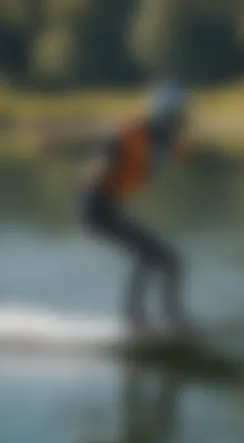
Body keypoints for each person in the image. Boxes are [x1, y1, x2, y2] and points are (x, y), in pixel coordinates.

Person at [78, 83, 191, 334]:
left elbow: (199, 157)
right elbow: (107, 155)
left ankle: (172, 318)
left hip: (111, 209)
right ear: (165, 114)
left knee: (171, 261)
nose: (183, 120)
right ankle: (136, 321)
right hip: (95, 208)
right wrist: (101, 168)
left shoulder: (164, 142)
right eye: (179, 115)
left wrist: (237, 164)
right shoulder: (132, 134)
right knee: (149, 256)